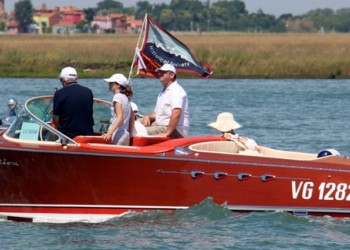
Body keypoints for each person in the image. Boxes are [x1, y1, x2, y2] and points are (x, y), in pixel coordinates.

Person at [142, 64, 189, 138]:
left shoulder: (176, 90)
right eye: (159, 72)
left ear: (172, 75)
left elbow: (176, 113)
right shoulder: (163, 91)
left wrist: (167, 133)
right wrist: (147, 117)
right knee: (135, 124)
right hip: (161, 125)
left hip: (174, 130)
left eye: (163, 72)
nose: (160, 74)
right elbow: (157, 113)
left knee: (139, 131)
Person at [52, 66, 94, 138]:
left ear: (63, 80)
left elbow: (55, 121)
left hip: (68, 137)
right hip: (88, 135)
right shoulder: (88, 92)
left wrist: (52, 137)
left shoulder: (59, 94)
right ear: (76, 78)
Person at [103, 73, 134, 145]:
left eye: (111, 83)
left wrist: (109, 133)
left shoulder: (117, 97)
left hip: (118, 134)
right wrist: (130, 134)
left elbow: (120, 118)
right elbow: (132, 118)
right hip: (126, 134)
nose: (109, 84)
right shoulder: (126, 98)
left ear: (118, 85)